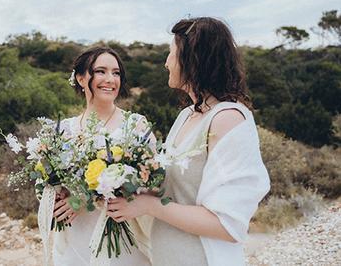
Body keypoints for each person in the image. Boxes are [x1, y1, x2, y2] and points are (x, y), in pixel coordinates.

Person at [106, 17, 270, 266]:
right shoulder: (187, 116)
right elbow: (175, 191)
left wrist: (150, 206)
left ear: (192, 59)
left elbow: (227, 224)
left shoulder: (228, 119)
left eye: (171, 54)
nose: (166, 63)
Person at [52, 46, 153, 266]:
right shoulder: (63, 131)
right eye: (101, 71)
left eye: (116, 73)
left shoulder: (135, 125)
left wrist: (86, 198)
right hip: (76, 238)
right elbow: (52, 185)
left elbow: (151, 182)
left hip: (123, 239)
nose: (110, 79)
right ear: (80, 78)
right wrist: (54, 198)